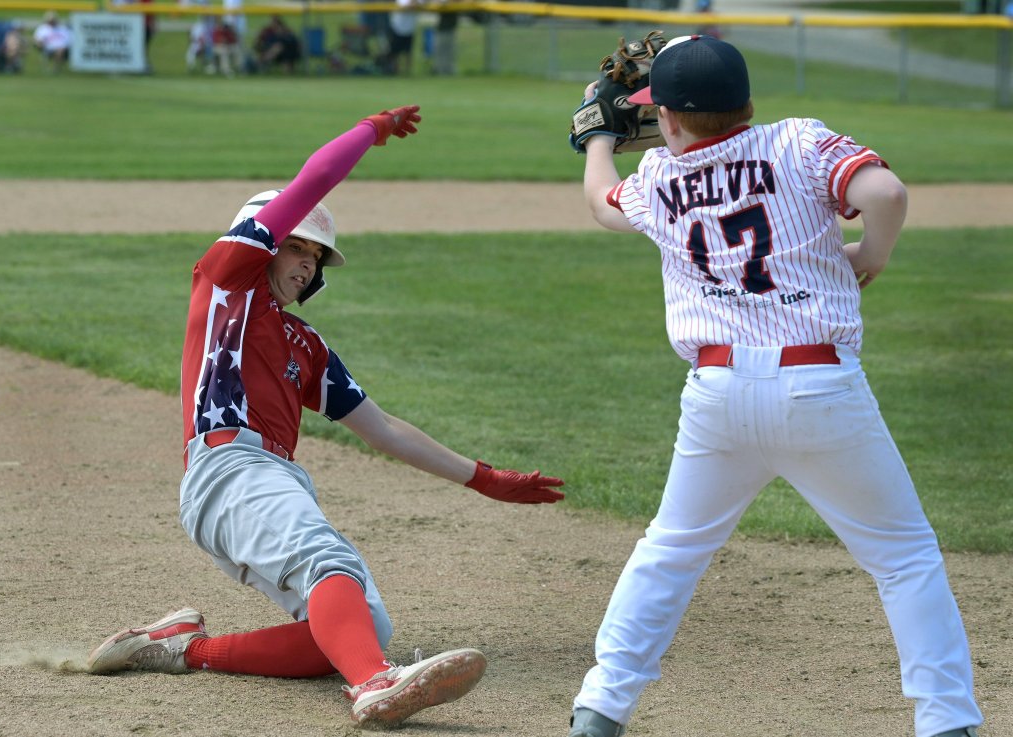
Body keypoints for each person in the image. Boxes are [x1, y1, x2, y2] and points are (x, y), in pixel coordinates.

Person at [84, 106, 565, 730]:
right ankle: (374, 685)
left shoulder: (305, 346)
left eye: (318, 256)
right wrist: (371, 131)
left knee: (358, 627)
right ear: (261, 242)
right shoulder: (227, 281)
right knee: (327, 566)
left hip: (267, 479)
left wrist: (484, 478)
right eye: (298, 247)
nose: (309, 263)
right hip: (229, 467)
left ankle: (178, 649)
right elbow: (311, 181)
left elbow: (383, 427)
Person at [567, 35, 982, 737]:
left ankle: (601, 707)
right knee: (904, 557)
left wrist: (601, 140)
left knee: (671, 549)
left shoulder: (659, 178)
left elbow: (605, 204)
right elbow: (884, 190)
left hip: (717, 393)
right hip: (820, 384)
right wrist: (870, 256)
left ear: (664, 119)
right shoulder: (796, 140)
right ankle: (945, 722)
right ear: (749, 104)